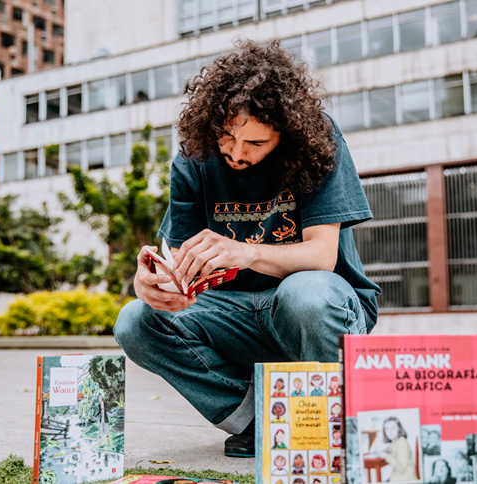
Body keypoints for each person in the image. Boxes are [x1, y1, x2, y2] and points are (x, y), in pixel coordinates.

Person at [114, 39, 381, 458]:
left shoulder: (318, 141)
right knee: (135, 321)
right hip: (234, 314)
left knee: (306, 293)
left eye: (255, 144)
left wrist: (246, 252)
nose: (236, 154)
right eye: (227, 137)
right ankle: (261, 422)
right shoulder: (194, 156)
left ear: (285, 135)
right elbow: (179, 262)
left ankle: (331, 421)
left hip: (314, 314)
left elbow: (322, 256)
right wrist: (153, 282)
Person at [369, 417, 418, 482]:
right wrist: (381, 452)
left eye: (393, 427)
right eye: (387, 428)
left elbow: (401, 468)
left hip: (405, 480)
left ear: (399, 429)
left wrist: (386, 456)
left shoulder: (402, 443)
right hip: (398, 478)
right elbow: (391, 450)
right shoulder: (395, 442)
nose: (390, 431)